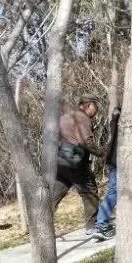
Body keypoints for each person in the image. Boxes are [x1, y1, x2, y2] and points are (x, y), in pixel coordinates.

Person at [93, 108, 132, 240]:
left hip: (114, 159)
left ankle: (101, 224)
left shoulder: (115, 119)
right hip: (129, 159)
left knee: (113, 192)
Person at [52, 95, 104, 231]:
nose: (97, 111)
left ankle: (40, 225)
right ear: (89, 105)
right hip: (76, 161)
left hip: (60, 161)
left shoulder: (66, 117)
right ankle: (93, 226)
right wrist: (103, 153)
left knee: (55, 195)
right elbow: (87, 141)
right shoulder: (82, 118)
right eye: (96, 107)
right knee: (90, 192)